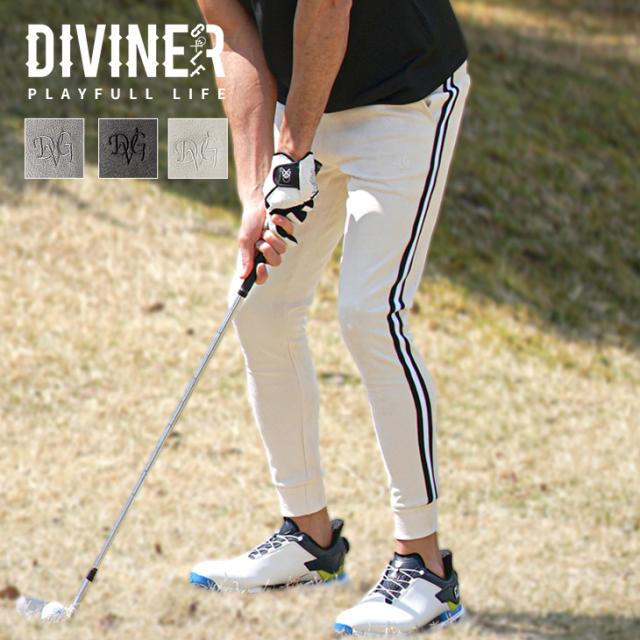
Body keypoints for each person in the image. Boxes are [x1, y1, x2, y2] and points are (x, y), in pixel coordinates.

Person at [190, 0, 471, 634]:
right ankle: (308, 538)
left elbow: (325, 9)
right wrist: (256, 190)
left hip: (405, 98)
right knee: (260, 305)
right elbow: (231, 30)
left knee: (370, 314)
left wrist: (291, 155)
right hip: (303, 106)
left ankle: (425, 568)